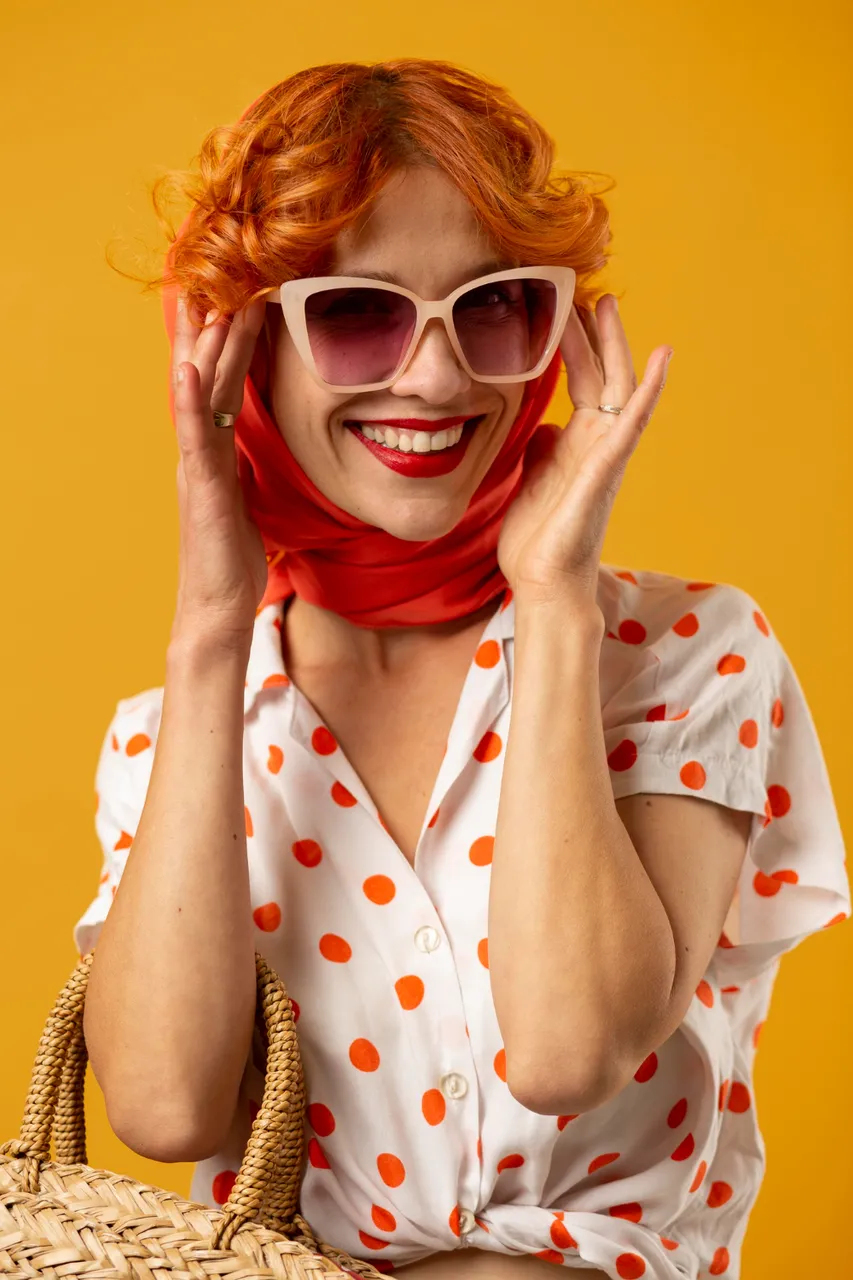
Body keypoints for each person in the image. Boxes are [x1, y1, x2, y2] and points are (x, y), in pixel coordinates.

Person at [74, 59, 850, 1280]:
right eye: (356, 312)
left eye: (492, 305)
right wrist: (212, 625)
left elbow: (566, 1046)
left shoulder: (687, 654)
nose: (435, 378)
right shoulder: (173, 730)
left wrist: (550, 604)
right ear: (237, 347)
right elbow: (167, 1108)